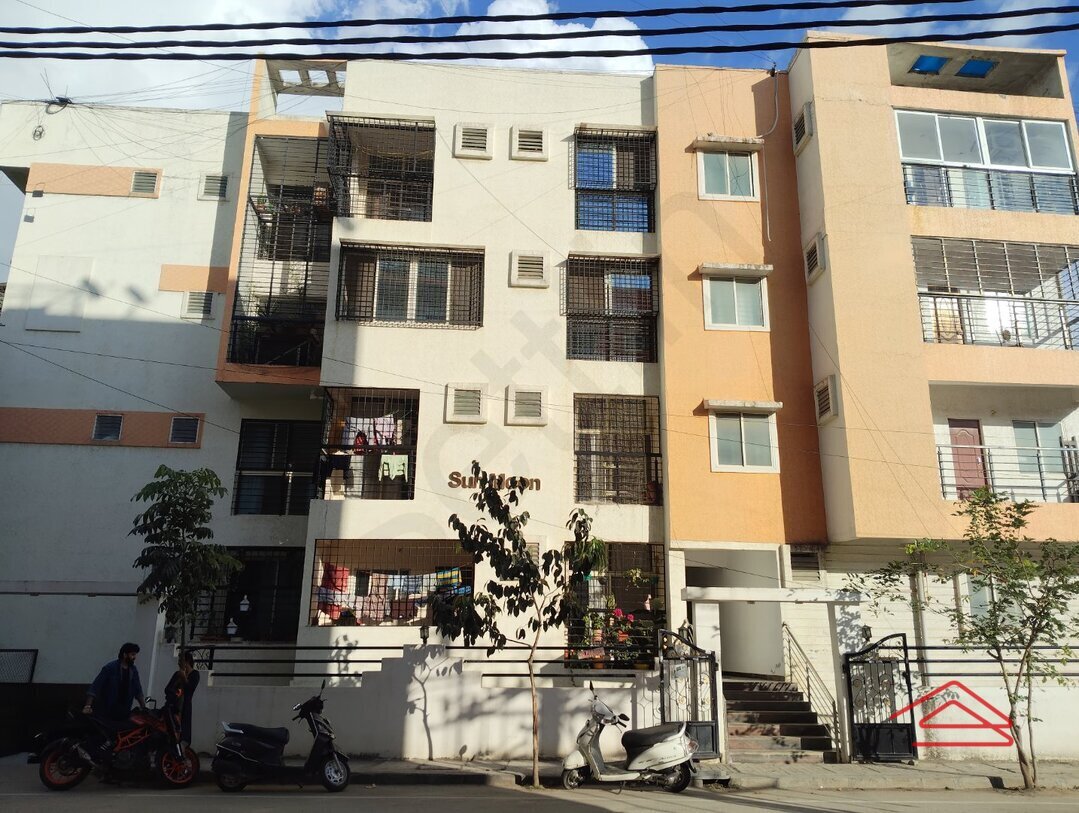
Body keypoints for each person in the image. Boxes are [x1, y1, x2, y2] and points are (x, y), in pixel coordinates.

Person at [81, 643, 145, 763]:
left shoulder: (133, 671)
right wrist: (88, 705)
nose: (134, 657)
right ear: (124, 654)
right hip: (107, 710)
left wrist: (144, 708)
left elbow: (138, 690)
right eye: (132, 654)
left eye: (135, 655)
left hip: (124, 711)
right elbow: (95, 686)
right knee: (104, 737)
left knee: (122, 737)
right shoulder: (110, 668)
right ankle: (97, 760)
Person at [163, 650, 200, 746]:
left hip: (184, 708)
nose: (178, 663)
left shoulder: (195, 674)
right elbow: (167, 689)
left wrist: (184, 678)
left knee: (183, 734)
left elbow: (190, 689)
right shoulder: (177, 674)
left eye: (180, 661)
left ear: (187, 661)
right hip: (172, 707)